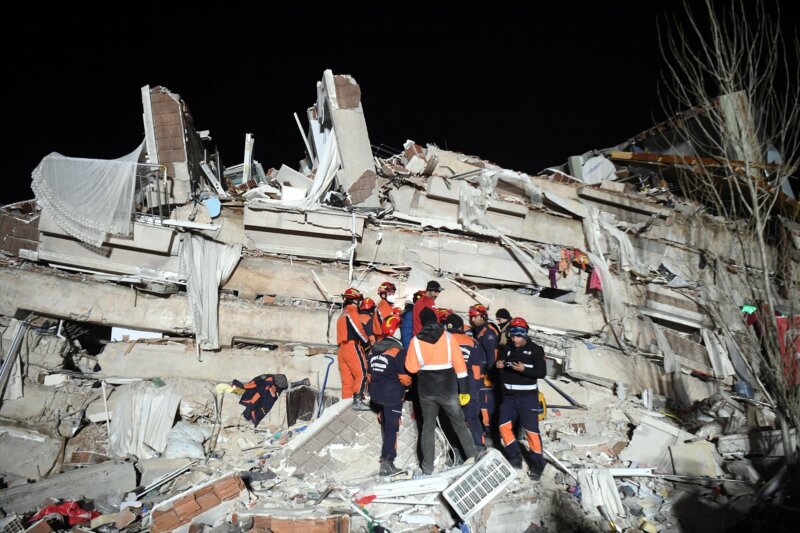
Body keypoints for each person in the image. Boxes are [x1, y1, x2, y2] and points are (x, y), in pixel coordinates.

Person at [405, 315, 477, 475]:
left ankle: (427, 468)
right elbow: (460, 365)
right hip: (448, 388)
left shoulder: (415, 341)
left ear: (422, 323)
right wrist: (464, 390)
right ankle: (472, 458)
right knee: (460, 425)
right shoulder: (449, 337)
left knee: (427, 428)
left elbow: (411, 368)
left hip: (426, 389)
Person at [495, 317, 547, 480]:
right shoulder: (506, 348)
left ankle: (538, 463)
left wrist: (524, 369)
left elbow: (542, 373)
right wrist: (499, 366)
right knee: (503, 427)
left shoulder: (536, 350)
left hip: (528, 397)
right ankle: (514, 457)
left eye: (518, 336)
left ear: (524, 334)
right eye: (512, 335)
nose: (514, 339)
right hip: (509, 398)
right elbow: (501, 368)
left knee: (531, 431)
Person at [367, 315, 411, 476]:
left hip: (376, 394)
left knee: (386, 426)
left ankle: (386, 459)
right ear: (396, 331)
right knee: (393, 429)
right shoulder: (397, 351)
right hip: (392, 394)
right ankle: (387, 462)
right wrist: (410, 386)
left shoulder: (373, 350)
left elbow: (369, 375)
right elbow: (404, 378)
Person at [445, 314, 484, 449]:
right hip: (468, 380)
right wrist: (476, 386)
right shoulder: (471, 341)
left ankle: (455, 448)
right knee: (471, 415)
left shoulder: (441, 340)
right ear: (461, 327)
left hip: (448, 380)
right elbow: (476, 367)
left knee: (451, 417)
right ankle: (479, 445)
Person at [337, 288, 372, 411]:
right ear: (355, 300)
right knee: (362, 373)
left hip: (342, 348)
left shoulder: (342, 313)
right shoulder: (352, 311)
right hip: (352, 347)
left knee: (347, 380)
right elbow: (359, 330)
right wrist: (367, 343)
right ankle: (357, 400)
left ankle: (345, 404)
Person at [469, 304, 500, 442]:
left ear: (482, 316)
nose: (472, 319)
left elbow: (492, 354)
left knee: (486, 404)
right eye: (471, 317)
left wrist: (490, 372)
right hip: (479, 373)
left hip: (486, 374)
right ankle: (484, 429)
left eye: (475, 317)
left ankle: (490, 430)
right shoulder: (478, 330)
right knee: (481, 403)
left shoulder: (488, 332)